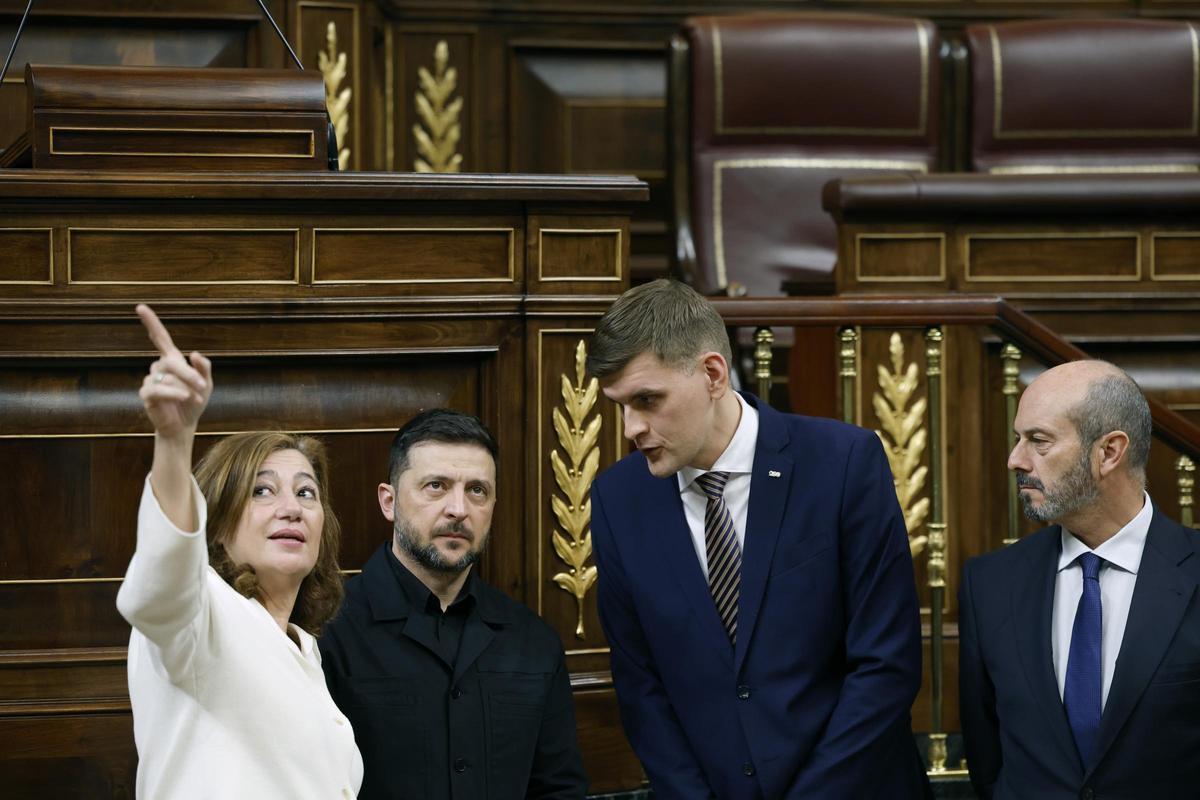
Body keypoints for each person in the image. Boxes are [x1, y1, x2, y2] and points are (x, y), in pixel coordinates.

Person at [586, 279, 929, 799]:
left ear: (713, 374)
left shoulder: (842, 462)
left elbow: (886, 665)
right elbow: (641, 686)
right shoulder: (617, 497)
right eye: (621, 406)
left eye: (647, 400)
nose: (632, 427)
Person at [116, 305, 362, 799]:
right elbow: (160, 589)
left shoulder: (304, 647)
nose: (291, 508)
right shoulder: (202, 611)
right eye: (262, 491)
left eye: (307, 492)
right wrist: (174, 439)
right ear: (218, 522)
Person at [959, 360, 1200, 799]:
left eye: (1039, 441)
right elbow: (986, 753)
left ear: (1109, 452)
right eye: (1019, 438)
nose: (1015, 459)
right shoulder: (989, 584)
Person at [319, 408, 587, 799]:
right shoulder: (326, 630)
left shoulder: (534, 642)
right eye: (436, 486)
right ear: (388, 501)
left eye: (477, 490)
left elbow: (558, 789)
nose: (459, 509)